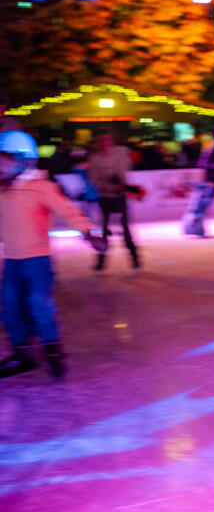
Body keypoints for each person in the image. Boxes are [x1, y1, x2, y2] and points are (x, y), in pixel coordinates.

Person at [0, 131, 106, 379]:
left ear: (22, 159)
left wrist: (88, 232)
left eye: (4, 160)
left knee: (40, 304)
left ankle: (51, 349)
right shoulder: (2, 191)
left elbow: (67, 210)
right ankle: (22, 353)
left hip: (37, 259)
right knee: (9, 305)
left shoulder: (41, 187)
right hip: (13, 261)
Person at [86, 129, 140, 270]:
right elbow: (94, 179)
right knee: (104, 231)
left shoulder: (119, 156)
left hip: (119, 198)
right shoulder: (95, 158)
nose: (105, 143)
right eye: (102, 140)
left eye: (107, 140)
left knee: (125, 229)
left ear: (112, 141)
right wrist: (108, 185)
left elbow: (123, 176)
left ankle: (134, 258)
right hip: (105, 198)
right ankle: (101, 261)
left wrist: (118, 184)